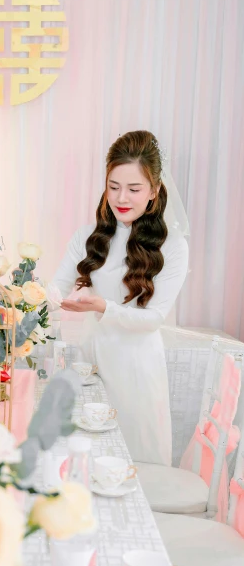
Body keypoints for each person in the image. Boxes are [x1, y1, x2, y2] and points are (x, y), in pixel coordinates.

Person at [49, 130, 189, 465]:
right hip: (93, 361)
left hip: (138, 368)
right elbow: (55, 288)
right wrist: (32, 296)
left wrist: (102, 306)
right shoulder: (88, 237)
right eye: (113, 187)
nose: (121, 197)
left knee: (135, 463)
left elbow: (153, 318)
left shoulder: (173, 247)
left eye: (134, 188)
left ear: (154, 190)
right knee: (88, 457)